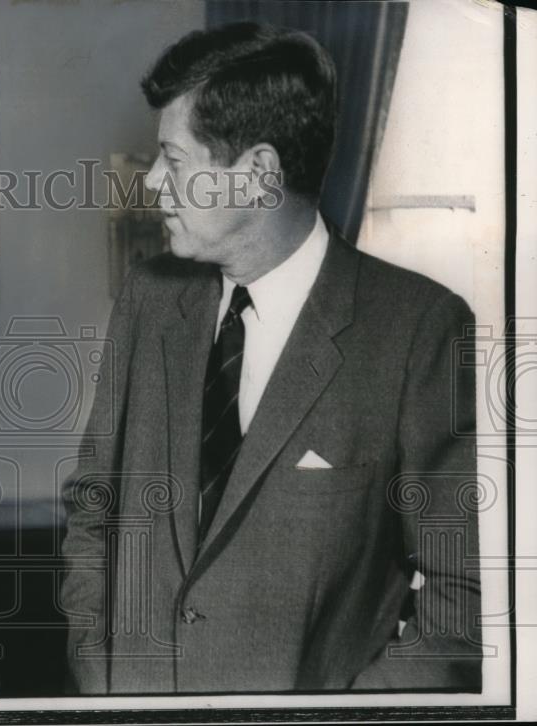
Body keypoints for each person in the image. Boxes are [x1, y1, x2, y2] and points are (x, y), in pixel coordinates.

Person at [60, 23, 481, 694]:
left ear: (257, 174)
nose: (153, 185)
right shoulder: (150, 297)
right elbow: (94, 509)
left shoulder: (417, 330)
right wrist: (102, 679)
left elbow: (467, 599)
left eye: (174, 159)